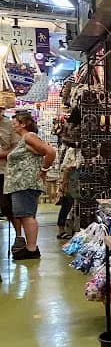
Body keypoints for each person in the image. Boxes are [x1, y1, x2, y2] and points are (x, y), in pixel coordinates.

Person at [5, 112, 56, 260]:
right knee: (25, 215)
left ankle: (32, 248)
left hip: (25, 183)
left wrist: (44, 170)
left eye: (16, 122)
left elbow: (50, 152)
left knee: (27, 215)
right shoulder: (26, 139)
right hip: (21, 184)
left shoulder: (29, 136)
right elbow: (40, 152)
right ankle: (30, 247)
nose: (13, 124)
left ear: (24, 124)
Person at [0, 106, 23, 251]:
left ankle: (19, 237)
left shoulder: (9, 125)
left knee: (8, 207)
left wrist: (4, 154)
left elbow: (17, 147)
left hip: (4, 172)